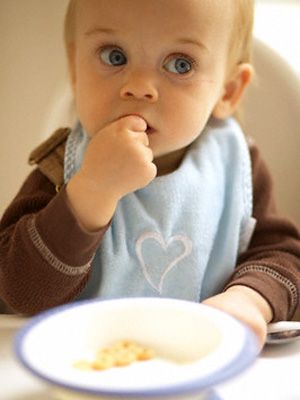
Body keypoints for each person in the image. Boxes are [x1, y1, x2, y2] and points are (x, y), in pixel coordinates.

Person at [0, 0, 299, 350]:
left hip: (201, 364)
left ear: (228, 91)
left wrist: (250, 299)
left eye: (180, 64)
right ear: (75, 67)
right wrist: (90, 193)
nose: (139, 87)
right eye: (114, 56)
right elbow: (16, 291)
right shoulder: (61, 168)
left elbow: (284, 259)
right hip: (88, 367)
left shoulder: (236, 165)